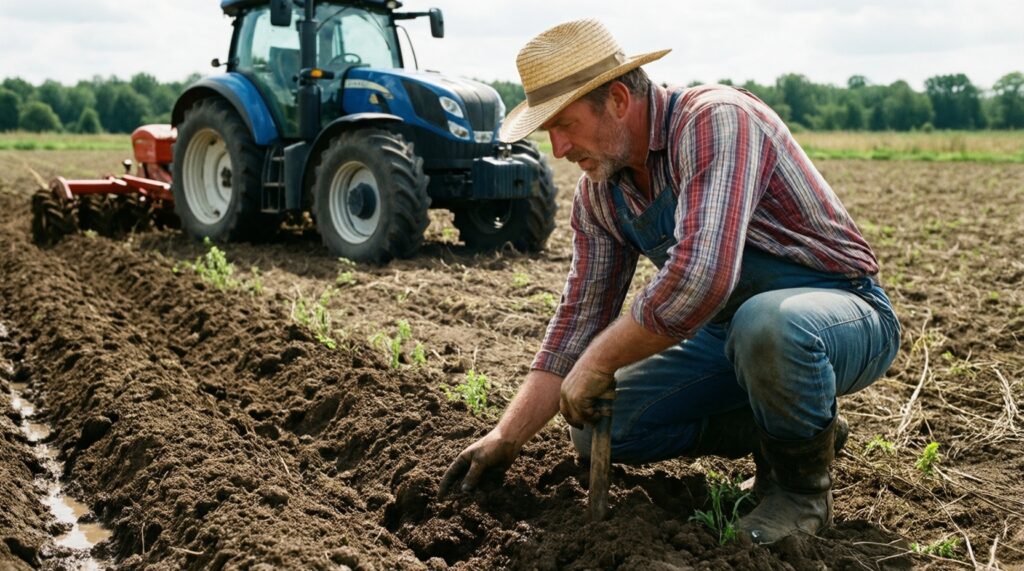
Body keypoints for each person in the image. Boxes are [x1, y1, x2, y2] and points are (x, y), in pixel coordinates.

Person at [440, 19, 900, 544]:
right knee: (596, 428)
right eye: (550, 133)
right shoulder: (602, 195)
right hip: (726, 334)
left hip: (841, 314)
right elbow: (579, 319)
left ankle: (799, 494)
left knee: (768, 325)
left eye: (564, 124)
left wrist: (599, 359)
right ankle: (796, 427)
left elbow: (701, 280)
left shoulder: (716, 121)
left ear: (616, 99)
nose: (559, 149)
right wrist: (507, 436)